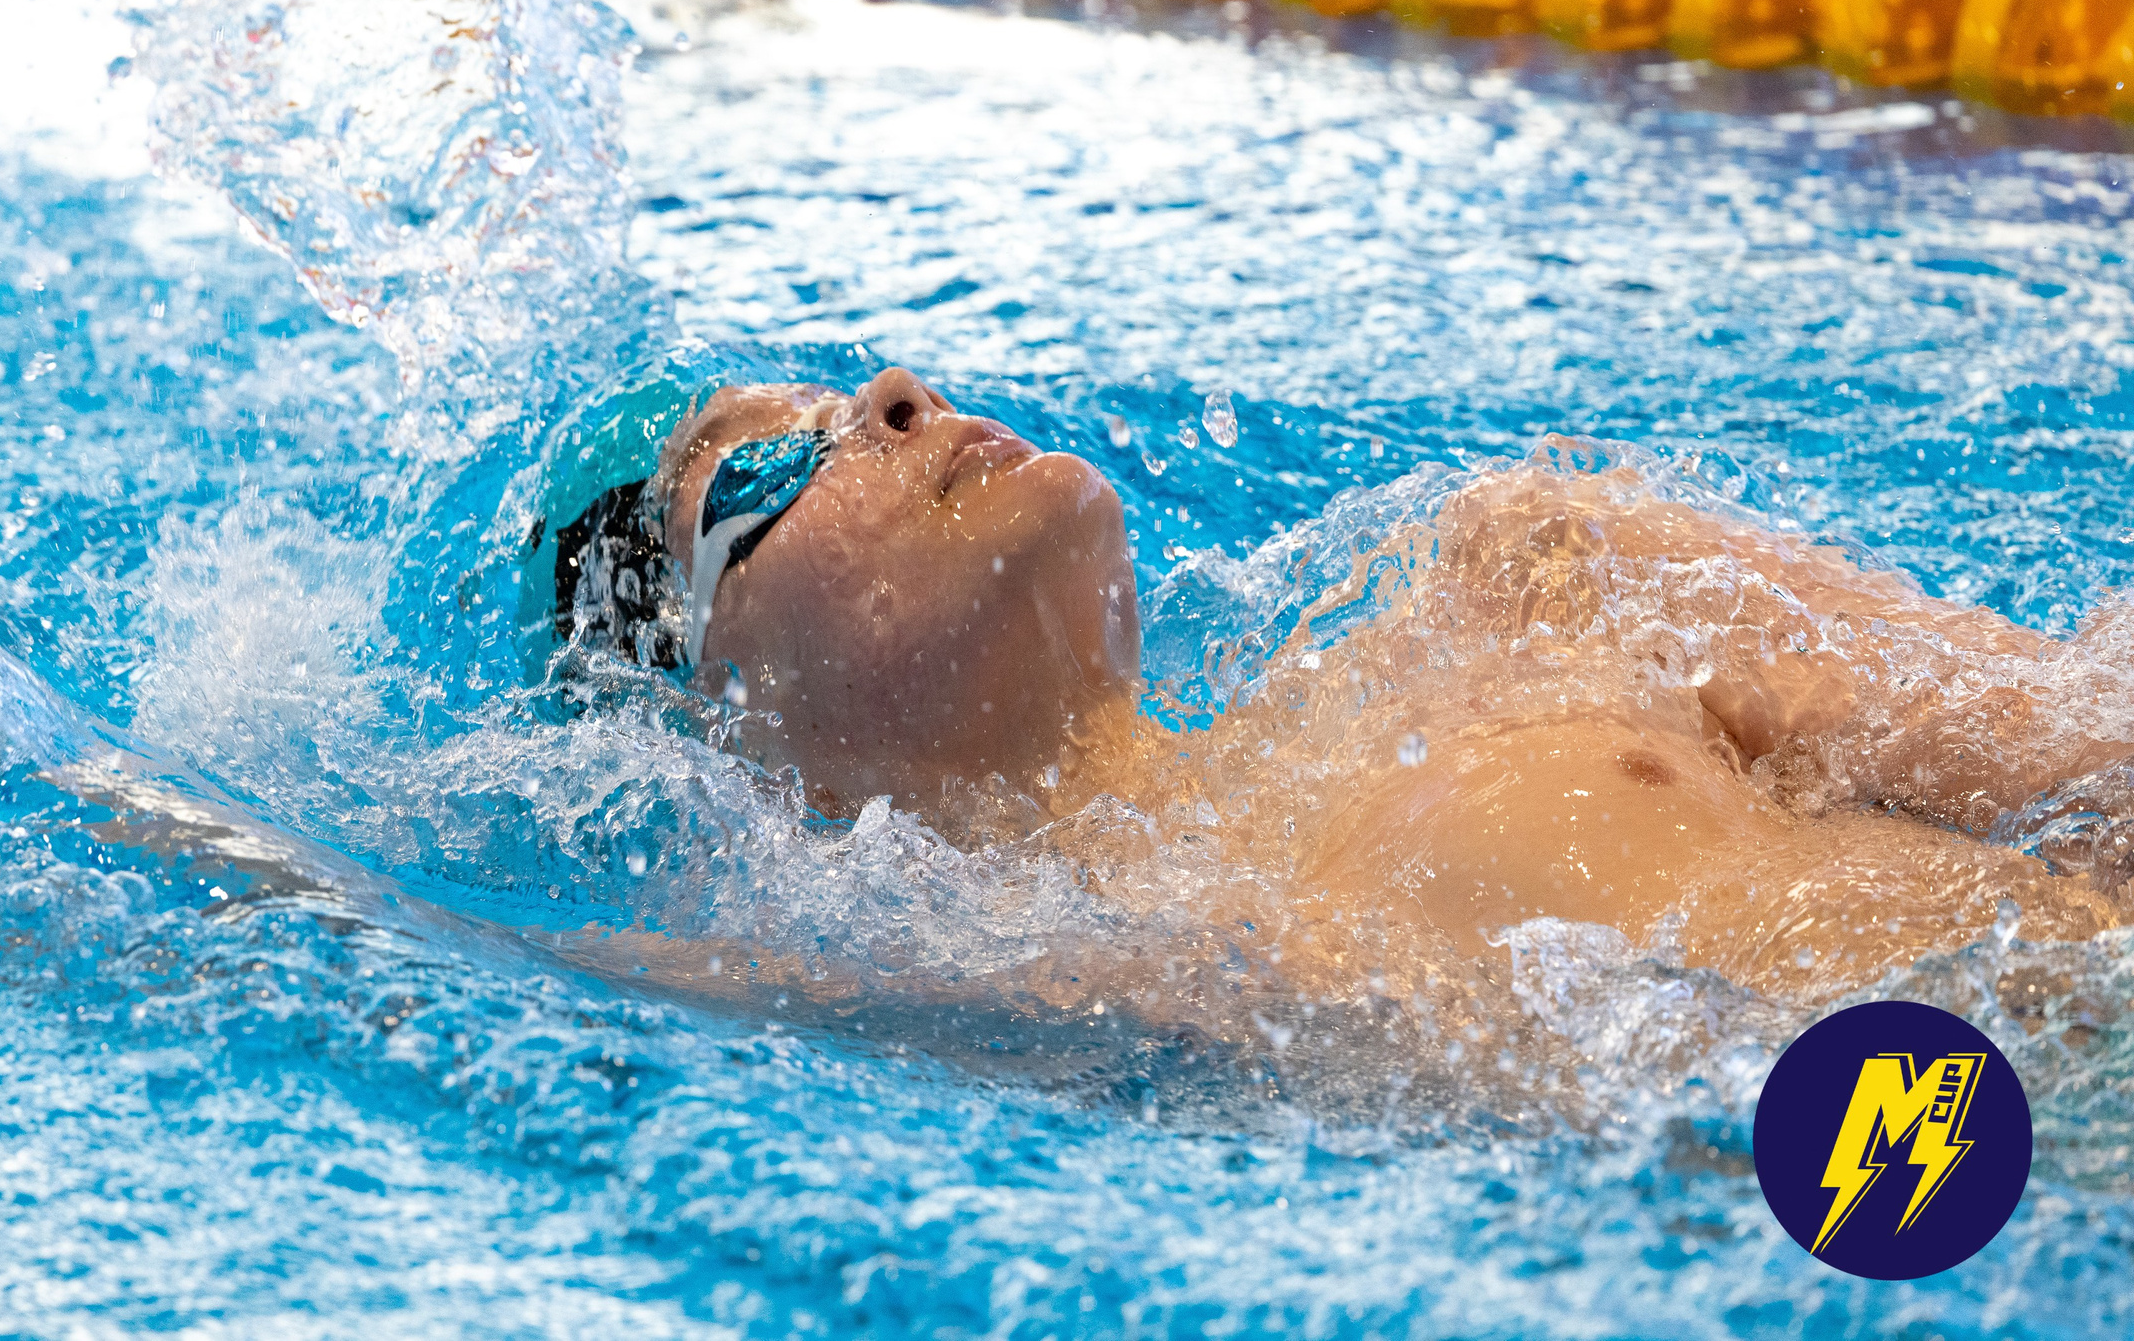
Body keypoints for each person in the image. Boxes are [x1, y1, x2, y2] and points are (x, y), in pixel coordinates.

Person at [532, 364, 2133, 1004]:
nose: (894, 395)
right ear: (720, 710)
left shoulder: (1533, 583)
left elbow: (2086, 743)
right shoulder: (1011, 974)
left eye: (864, 385)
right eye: (765, 470)